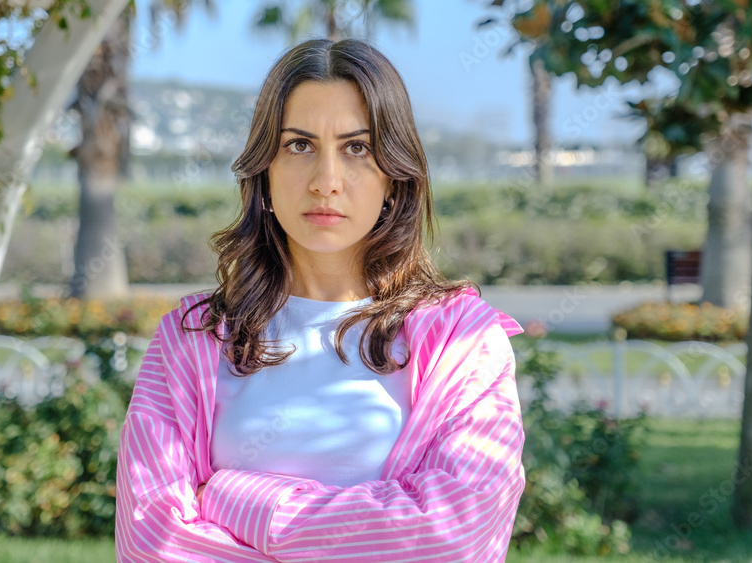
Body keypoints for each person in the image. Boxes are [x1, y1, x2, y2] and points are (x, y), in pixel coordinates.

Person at [116, 38, 526, 562]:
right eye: (299, 145)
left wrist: (238, 499)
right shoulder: (189, 338)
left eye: (357, 148)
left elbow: (450, 536)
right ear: (264, 171)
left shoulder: (465, 342)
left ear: (394, 179)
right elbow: (152, 543)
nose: (325, 182)